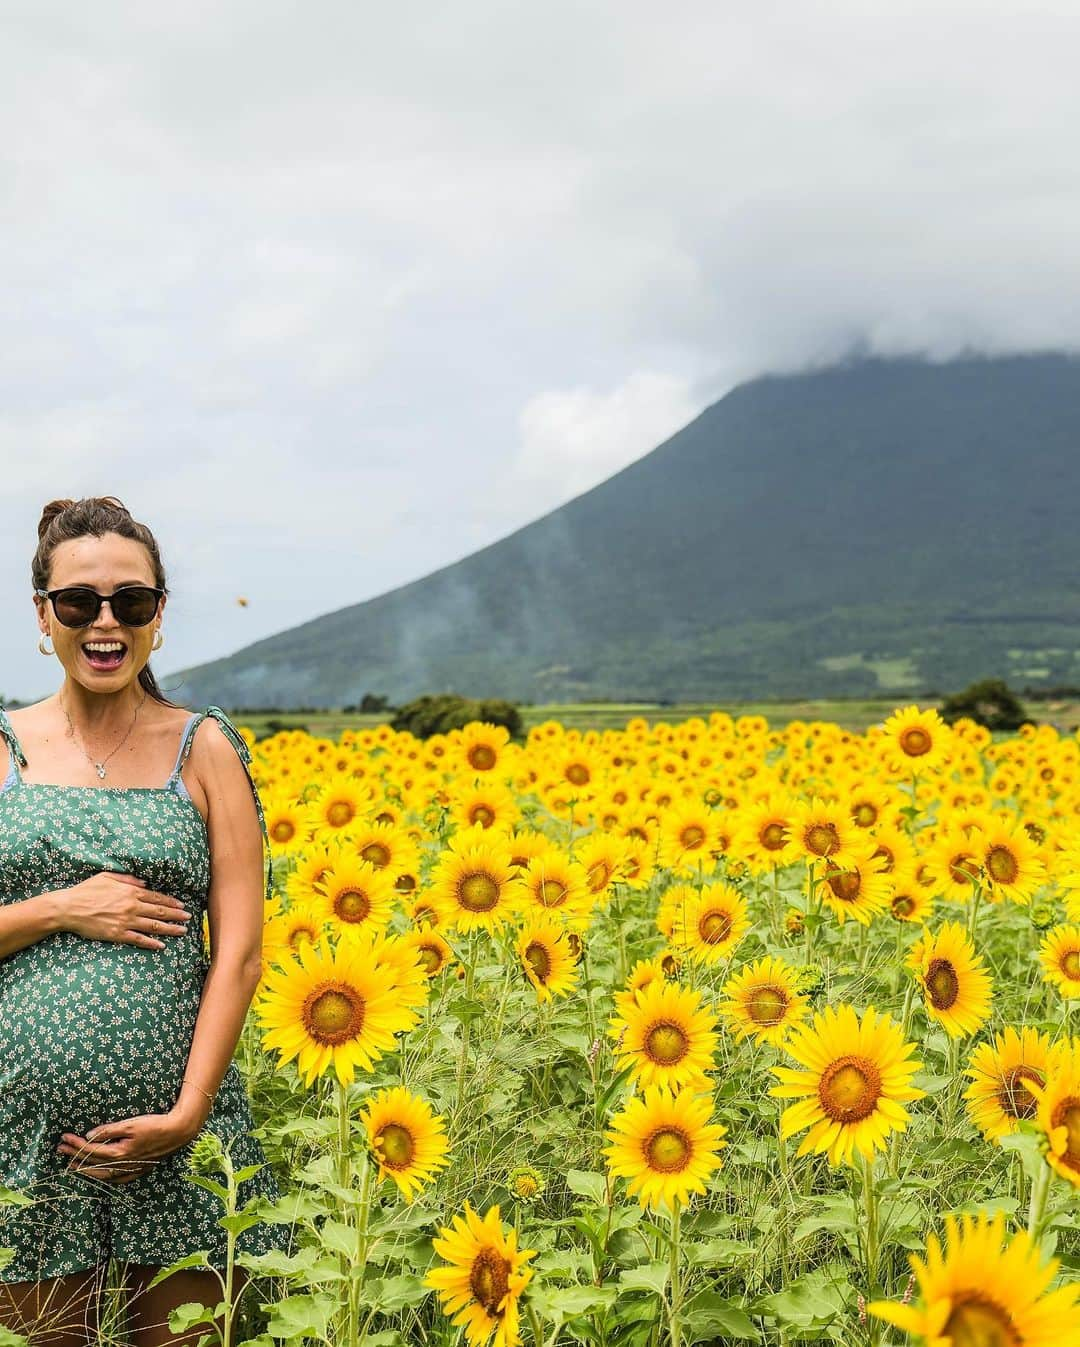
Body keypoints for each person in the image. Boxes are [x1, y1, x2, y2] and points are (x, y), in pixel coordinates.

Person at [0, 497, 290, 1346]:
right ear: (42, 613)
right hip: (22, 1138)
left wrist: (190, 1108)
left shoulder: (202, 747)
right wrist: (63, 906)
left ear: (158, 616)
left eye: (131, 602)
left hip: (179, 1140)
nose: (105, 621)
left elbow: (237, 952)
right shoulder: (2, 749)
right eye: (78, 601)